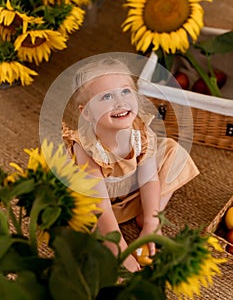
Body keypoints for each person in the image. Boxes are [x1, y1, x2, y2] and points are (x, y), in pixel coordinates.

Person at [62, 57, 199, 272]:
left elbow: (150, 179)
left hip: (131, 188)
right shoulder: (85, 147)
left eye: (126, 91)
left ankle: (148, 213)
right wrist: (119, 252)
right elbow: (101, 206)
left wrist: (152, 224)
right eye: (106, 96)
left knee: (173, 151)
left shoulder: (141, 132)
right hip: (99, 202)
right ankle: (110, 240)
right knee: (80, 224)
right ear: (86, 113)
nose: (120, 102)